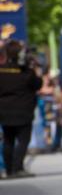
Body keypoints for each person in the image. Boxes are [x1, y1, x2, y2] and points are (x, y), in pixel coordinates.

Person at [0, 39, 43, 178]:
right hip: (23, 110)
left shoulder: (2, 70)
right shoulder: (26, 72)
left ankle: (9, 169)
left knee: (8, 140)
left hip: (4, 110)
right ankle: (18, 167)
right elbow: (38, 85)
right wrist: (36, 69)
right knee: (23, 140)